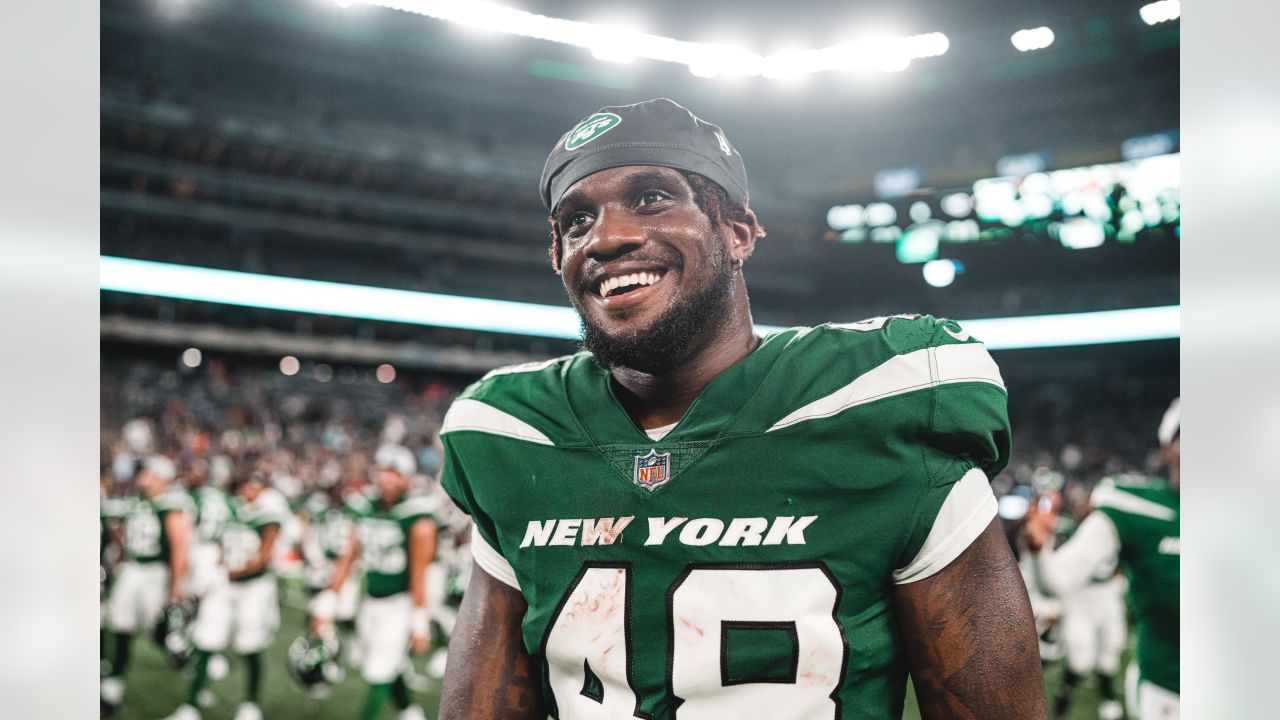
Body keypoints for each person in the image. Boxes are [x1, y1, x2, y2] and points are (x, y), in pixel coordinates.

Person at [437, 98, 1046, 719]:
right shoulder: (510, 432)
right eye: (576, 220)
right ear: (557, 259)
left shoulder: (885, 396)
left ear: (737, 231)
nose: (609, 237)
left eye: (651, 198)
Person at [1026, 398, 1180, 720]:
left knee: (1109, 655)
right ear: (1166, 448)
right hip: (1169, 690)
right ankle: (1068, 707)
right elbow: (1057, 579)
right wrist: (1039, 549)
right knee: (1083, 659)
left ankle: (1108, 706)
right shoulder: (1135, 507)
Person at [311, 445, 438, 720]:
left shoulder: (417, 515)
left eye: (395, 473)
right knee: (386, 662)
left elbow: (419, 572)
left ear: (407, 478)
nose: (388, 480)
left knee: (379, 670)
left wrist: (419, 620)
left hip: (400, 602)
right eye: (384, 472)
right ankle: (410, 711)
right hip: (371, 599)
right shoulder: (364, 506)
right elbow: (348, 556)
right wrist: (327, 601)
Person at [164, 471, 290, 720]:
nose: (248, 491)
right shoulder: (231, 510)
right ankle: (190, 706)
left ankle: (251, 705)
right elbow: (223, 545)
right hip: (226, 587)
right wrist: (216, 569)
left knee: (250, 646)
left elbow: (262, 560)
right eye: (245, 485)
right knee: (206, 641)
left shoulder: (270, 512)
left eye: (254, 486)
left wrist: (225, 575)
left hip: (254, 589)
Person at [101, 455, 193, 716]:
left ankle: (192, 665)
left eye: (149, 472)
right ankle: (112, 687)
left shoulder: (172, 503)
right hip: (133, 569)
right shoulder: (139, 501)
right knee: (120, 627)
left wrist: (176, 589)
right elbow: (125, 538)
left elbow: (179, 548)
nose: (143, 476)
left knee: (163, 633)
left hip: (156, 572)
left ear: (162, 476)